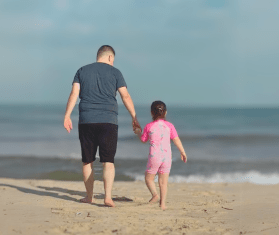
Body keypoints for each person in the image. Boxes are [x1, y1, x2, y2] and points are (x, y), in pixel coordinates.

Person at [64, 45, 140, 207]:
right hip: (109, 121)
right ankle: (107, 198)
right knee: (108, 161)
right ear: (110, 57)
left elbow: (74, 94)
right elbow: (125, 95)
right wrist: (134, 116)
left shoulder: (82, 71)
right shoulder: (116, 72)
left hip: (86, 120)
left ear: (99, 55)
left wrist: (67, 115)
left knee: (87, 161)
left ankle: (89, 196)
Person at [134, 100, 187, 210]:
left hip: (154, 157)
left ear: (151, 113)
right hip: (167, 157)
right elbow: (176, 140)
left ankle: (155, 195)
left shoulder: (149, 126)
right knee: (163, 182)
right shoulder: (169, 126)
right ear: (165, 113)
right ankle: (163, 204)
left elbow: (143, 140)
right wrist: (182, 152)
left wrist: (138, 132)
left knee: (149, 178)